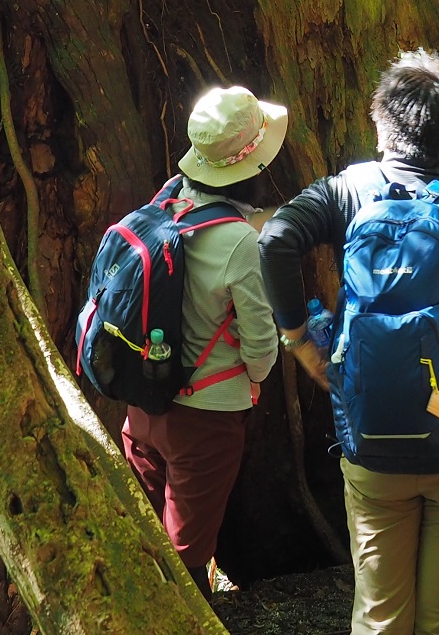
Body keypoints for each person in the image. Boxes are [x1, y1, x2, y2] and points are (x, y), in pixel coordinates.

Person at [261, 50, 439, 635]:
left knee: (379, 616)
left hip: (372, 444)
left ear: (379, 123)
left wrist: (302, 342)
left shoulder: (347, 192)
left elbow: (276, 237)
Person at [119, 85, 287, 594]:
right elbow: (261, 347)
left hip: (142, 404)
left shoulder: (166, 199)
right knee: (187, 560)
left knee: (143, 543)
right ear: (253, 166)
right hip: (205, 419)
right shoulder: (239, 242)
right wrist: (254, 381)